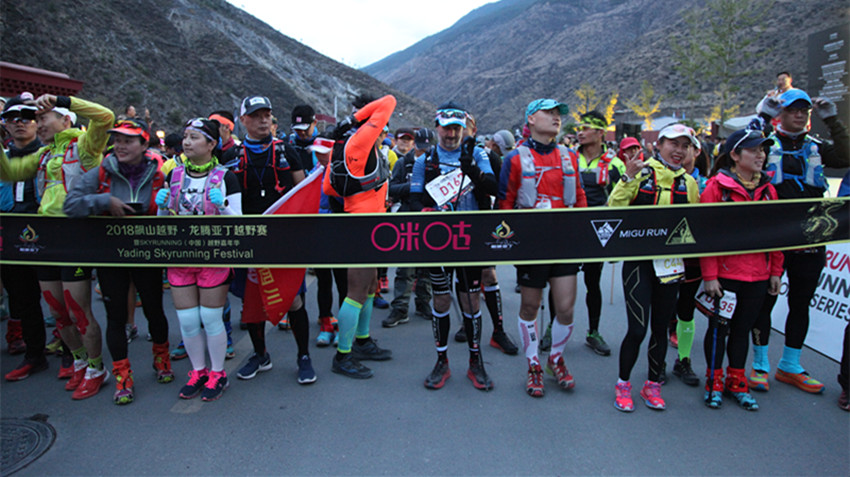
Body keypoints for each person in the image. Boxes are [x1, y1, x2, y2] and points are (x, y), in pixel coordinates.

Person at [0, 93, 114, 399]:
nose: (38, 123)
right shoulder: (43, 154)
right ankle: (79, 362)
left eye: (43, 117)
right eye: (36, 119)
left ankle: (97, 369)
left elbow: (106, 117)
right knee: (57, 311)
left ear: (64, 120)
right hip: (46, 239)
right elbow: (8, 171)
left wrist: (65, 100)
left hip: (75, 237)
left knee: (78, 311)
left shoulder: (84, 146)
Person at [63, 118, 174, 404]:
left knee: (154, 309)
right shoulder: (101, 171)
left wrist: (166, 206)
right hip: (111, 253)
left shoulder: (160, 172)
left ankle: (161, 358)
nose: (120, 146)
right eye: (117, 140)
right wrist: (104, 202)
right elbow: (70, 205)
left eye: (128, 140)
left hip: (146, 252)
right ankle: (122, 374)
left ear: (144, 144)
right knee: (115, 317)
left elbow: (176, 210)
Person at [751, 88, 849, 394]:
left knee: (801, 301)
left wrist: (832, 121)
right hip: (774, 236)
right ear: (781, 113)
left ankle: (790, 365)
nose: (799, 114)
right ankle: (760, 365)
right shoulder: (765, 144)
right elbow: (733, 153)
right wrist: (763, 116)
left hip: (811, 235)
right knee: (764, 300)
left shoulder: (816, 146)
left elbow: (846, 155)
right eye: (793, 109)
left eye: (804, 110)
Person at [608, 123, 701, 412]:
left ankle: (652, 385)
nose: (679, 151)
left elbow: (695, 226)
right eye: (674, 144)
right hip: (639, 263)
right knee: (637, 330)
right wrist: (627, 178)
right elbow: (613, 210)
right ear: (658, 145)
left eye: (685, 146)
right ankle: (623, 384)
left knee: (661, 329)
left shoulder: (690, 183)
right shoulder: (641, 172)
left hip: (671, 266)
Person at [498, 99, 587, 397]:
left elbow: (580, 197)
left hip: (564, 243)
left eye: (558, 114)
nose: (556, 118)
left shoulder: (570, 156)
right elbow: (505, 204)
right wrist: (510, 245)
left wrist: (583, 236)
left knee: (566, 309)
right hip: (531, 245)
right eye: (548, 113)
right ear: (531, 119)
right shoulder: (514, 159)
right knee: (529, 307)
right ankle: (533, 363)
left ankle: (556, 359)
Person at [409, 101, 498, 391]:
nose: (451, 134)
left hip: (470, 238)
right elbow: (413, 200)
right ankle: (441, 361)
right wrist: (426, 209)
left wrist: (473, 171)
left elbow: (493, 187)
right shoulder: (425, 160)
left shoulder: (478, 153)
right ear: (437, 128)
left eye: (457, 128)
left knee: (471, 300)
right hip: (439, 240)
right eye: (446, 128)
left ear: (464, 128)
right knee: (441, 300)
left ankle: (475, 361)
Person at [226, 96, 315, 384]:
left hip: (284, 240)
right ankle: (260, 355)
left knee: (294, 300)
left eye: (267, 114)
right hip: (249, 240)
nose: (263, 120)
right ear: (243, 121)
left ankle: (304, 356)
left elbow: (302, 191)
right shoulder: (231, 157)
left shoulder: (288, 151)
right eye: (256, 115)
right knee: (252, 301)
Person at [156, 117, 241, 402]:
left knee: (211, 318)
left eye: (194, 137)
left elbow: (239, 222)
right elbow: (164, 220)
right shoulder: (173, 175)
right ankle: (198, 371)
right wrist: (160, 207)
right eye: (185, 137)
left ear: (211, 144)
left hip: (214, 256)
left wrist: (223, 205)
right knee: (188, 320)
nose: (187, 142)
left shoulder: (226, 177)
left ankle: (218, 373)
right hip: (181, 256)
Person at [699, 128, 784, 411]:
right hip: (725, 276)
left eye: (763, 150)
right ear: (735, 155)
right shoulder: (716, 188)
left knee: (743, 329)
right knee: (718, 330)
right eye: (754, 150)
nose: (761, 155)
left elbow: (777, 234)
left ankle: (737, 382)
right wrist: (710, 275)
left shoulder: (769, 190)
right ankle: (714, 383)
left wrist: (776, 271)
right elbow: (706, 235)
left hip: (758, 275)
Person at [323, 94, 396, 379]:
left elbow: (329, 188)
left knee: (369, 287)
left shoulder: (343, 145)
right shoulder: (361, 140)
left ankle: (363, 341)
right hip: (362, 226)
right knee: (355, 293)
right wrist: (353, 119)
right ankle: (343, 356)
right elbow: (388, 101)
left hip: (364, 223)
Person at [1, 93, 49, 381]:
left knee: (61, 299)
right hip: (10, 236)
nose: (20, 123)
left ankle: (73, 354)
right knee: (23, 298)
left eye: (27, 117)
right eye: (12, 118)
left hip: (48, 234)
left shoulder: (49, 156)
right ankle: (34, 355)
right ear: (5, 124)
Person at [572, 111, 625, 356]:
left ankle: (593, 332)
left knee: (592, 283)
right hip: (570, 229)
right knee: (560, 279)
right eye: (579, 128)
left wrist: (615, 240)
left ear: (600, 132)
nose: (580, 133)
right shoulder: (568, 157)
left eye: (586, 128)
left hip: (597, 232)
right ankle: (552, 328)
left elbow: (622, 200)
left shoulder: (615, 164)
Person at [383, 128, 433, 328]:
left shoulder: (436, 163)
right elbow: (391, 188)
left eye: (426, 149)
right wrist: (413, 186)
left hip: (429, 218)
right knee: (405, 268)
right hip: (408, 219)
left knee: (427, 267)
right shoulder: (403, 163)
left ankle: (424, 303)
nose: (423, 152)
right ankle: (400, 308)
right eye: (420, 148)